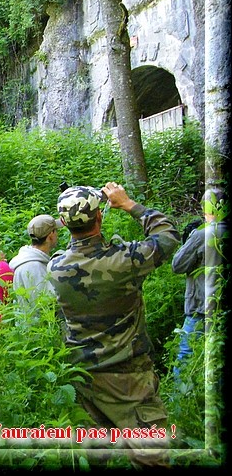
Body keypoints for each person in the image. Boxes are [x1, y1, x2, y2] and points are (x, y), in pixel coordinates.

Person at [48, 182, 180, 467]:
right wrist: (129, 204)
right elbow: (168, 235)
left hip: (83, 377)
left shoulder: (55, 268)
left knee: (95, 457)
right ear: (100, 217)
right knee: (151, 459)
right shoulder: (125, 261)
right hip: (128, 378)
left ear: (62, 223)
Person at [171, 187, 227, 378]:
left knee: (185, 358)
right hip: (224, 308)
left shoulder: (202, 234)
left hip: (201, 308)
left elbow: (177, 265)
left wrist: (188, 241)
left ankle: (180, 404)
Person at [8, 214, 63, 319]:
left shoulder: (27, 259)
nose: (57, 234)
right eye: (56, 231)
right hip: (37, 330)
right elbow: (49, 302)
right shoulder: (34, 267)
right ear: (50, 235)